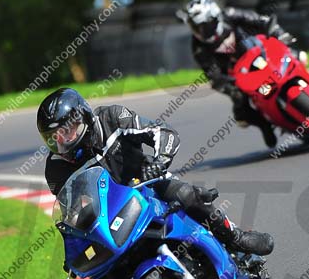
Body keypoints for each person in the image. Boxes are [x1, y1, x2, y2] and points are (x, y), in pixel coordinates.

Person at [37, 87, 274, 258]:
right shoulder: (56, 169)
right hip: (111, 215)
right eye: (53, 138)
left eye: (67, 131)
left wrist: (160, 161)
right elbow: (70, 212)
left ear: (84, 116)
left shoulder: (112, 118)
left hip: (147, 184)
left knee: (186, 195)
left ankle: (235, 237)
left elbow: (161, 131)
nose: (62, 142)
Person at [180, 0, 299, 148]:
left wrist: (279, 34)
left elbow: (261, 20)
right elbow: (211, 74)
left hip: (258, 51)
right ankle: (264, 125)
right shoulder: (198, 47)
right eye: (196, 28)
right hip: (236, 74)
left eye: (204, 26)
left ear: (214, 17)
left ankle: (307, 82)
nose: (200, 31)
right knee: (241, 115)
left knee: (294, 55)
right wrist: (228, 87)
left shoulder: (230, 14)